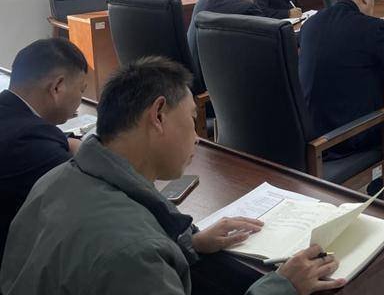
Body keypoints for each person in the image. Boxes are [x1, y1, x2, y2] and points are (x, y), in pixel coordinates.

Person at [0, 57, 343, 295]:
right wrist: (283, 286)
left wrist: (190, 243)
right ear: (159, 115)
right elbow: (126, 255)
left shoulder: (54, 181)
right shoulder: (133, 254)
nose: (197, 137)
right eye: (192, 119)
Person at [299, 0, 384, 195]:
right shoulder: (370, 27)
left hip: (310, 130)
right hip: (346, 135)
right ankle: (380, 197)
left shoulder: (310, 24)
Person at [0, 38, 88, 260]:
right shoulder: (31, 142)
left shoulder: (9, 112)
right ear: (57, 87)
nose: (80, 100)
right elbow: (90, 190)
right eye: (81, 90)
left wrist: (68, 142)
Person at [187, 0, 263, 87]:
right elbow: (264, 48)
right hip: (223, 86)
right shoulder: (247, 9)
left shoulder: (201, 3)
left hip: (194, 78)